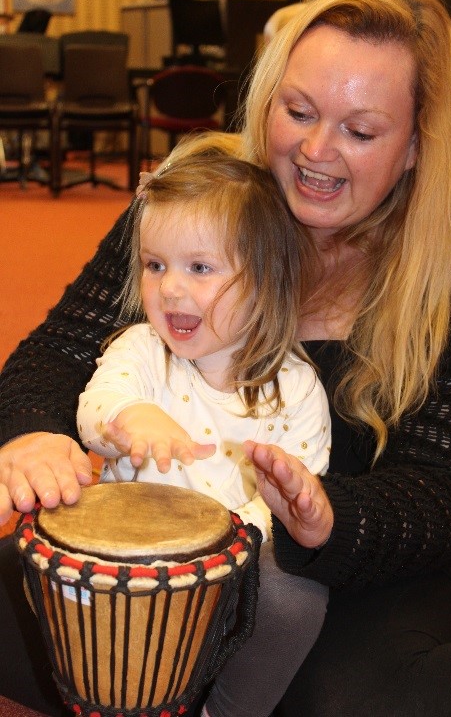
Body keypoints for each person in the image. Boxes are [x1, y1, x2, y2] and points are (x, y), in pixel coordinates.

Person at [0, 0, 451, 715]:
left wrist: (326, 521)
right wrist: (35, 430)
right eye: (298, 111)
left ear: (413, 144)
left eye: (360, 129)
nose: (317, 151)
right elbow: (55, 353)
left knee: (346, 691)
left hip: (358, 573)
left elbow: (446, 490)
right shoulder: (193, 203)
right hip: (166, 535)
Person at [75, 151, 331, 717]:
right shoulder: (142, 351)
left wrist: (284, 515)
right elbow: (95, 409)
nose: (169, 290)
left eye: (200, 268)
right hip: (127, 571)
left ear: (265, 281)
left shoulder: (297, 390)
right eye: (155, 265)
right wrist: (126, 418)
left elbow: (289, 508)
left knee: (300, 597)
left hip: (228, 583)